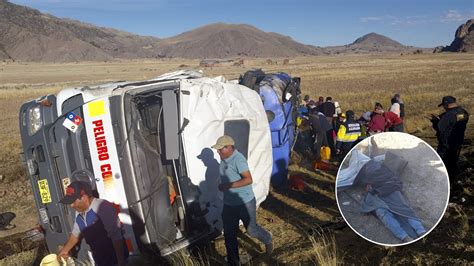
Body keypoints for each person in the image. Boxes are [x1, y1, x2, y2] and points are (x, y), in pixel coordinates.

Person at [212, 135, 273, 265]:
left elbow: (248, 179)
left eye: (220, 149)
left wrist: (228, 185)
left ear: (228, 147)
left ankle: (267, 239)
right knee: (229, 234)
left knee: (252, 230)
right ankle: (234, 262)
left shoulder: (238, 160)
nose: (217, 151)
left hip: (245, 202)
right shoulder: (224, 158)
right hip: (229, 204)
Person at [58, 181, 128, 266]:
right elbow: (75, 234)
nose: (72, 205)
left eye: (73, 201)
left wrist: (121, 262)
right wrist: (64, 251)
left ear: (84, 197)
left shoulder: (103, 207)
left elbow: (116, 236)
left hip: (114, 259)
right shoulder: (79, 212)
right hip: (99, 259)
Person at [431, 96, 469, 189]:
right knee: (453, 163)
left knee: (442, 165)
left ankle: (443, 184)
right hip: (457, 142)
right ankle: (451, 183)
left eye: (443, 105)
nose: (443, 108)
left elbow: (440, 128)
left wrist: (435, 122)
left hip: (446, 145)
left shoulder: (448, 116)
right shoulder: (464, 113)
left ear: (446, 104)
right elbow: (457, 120)